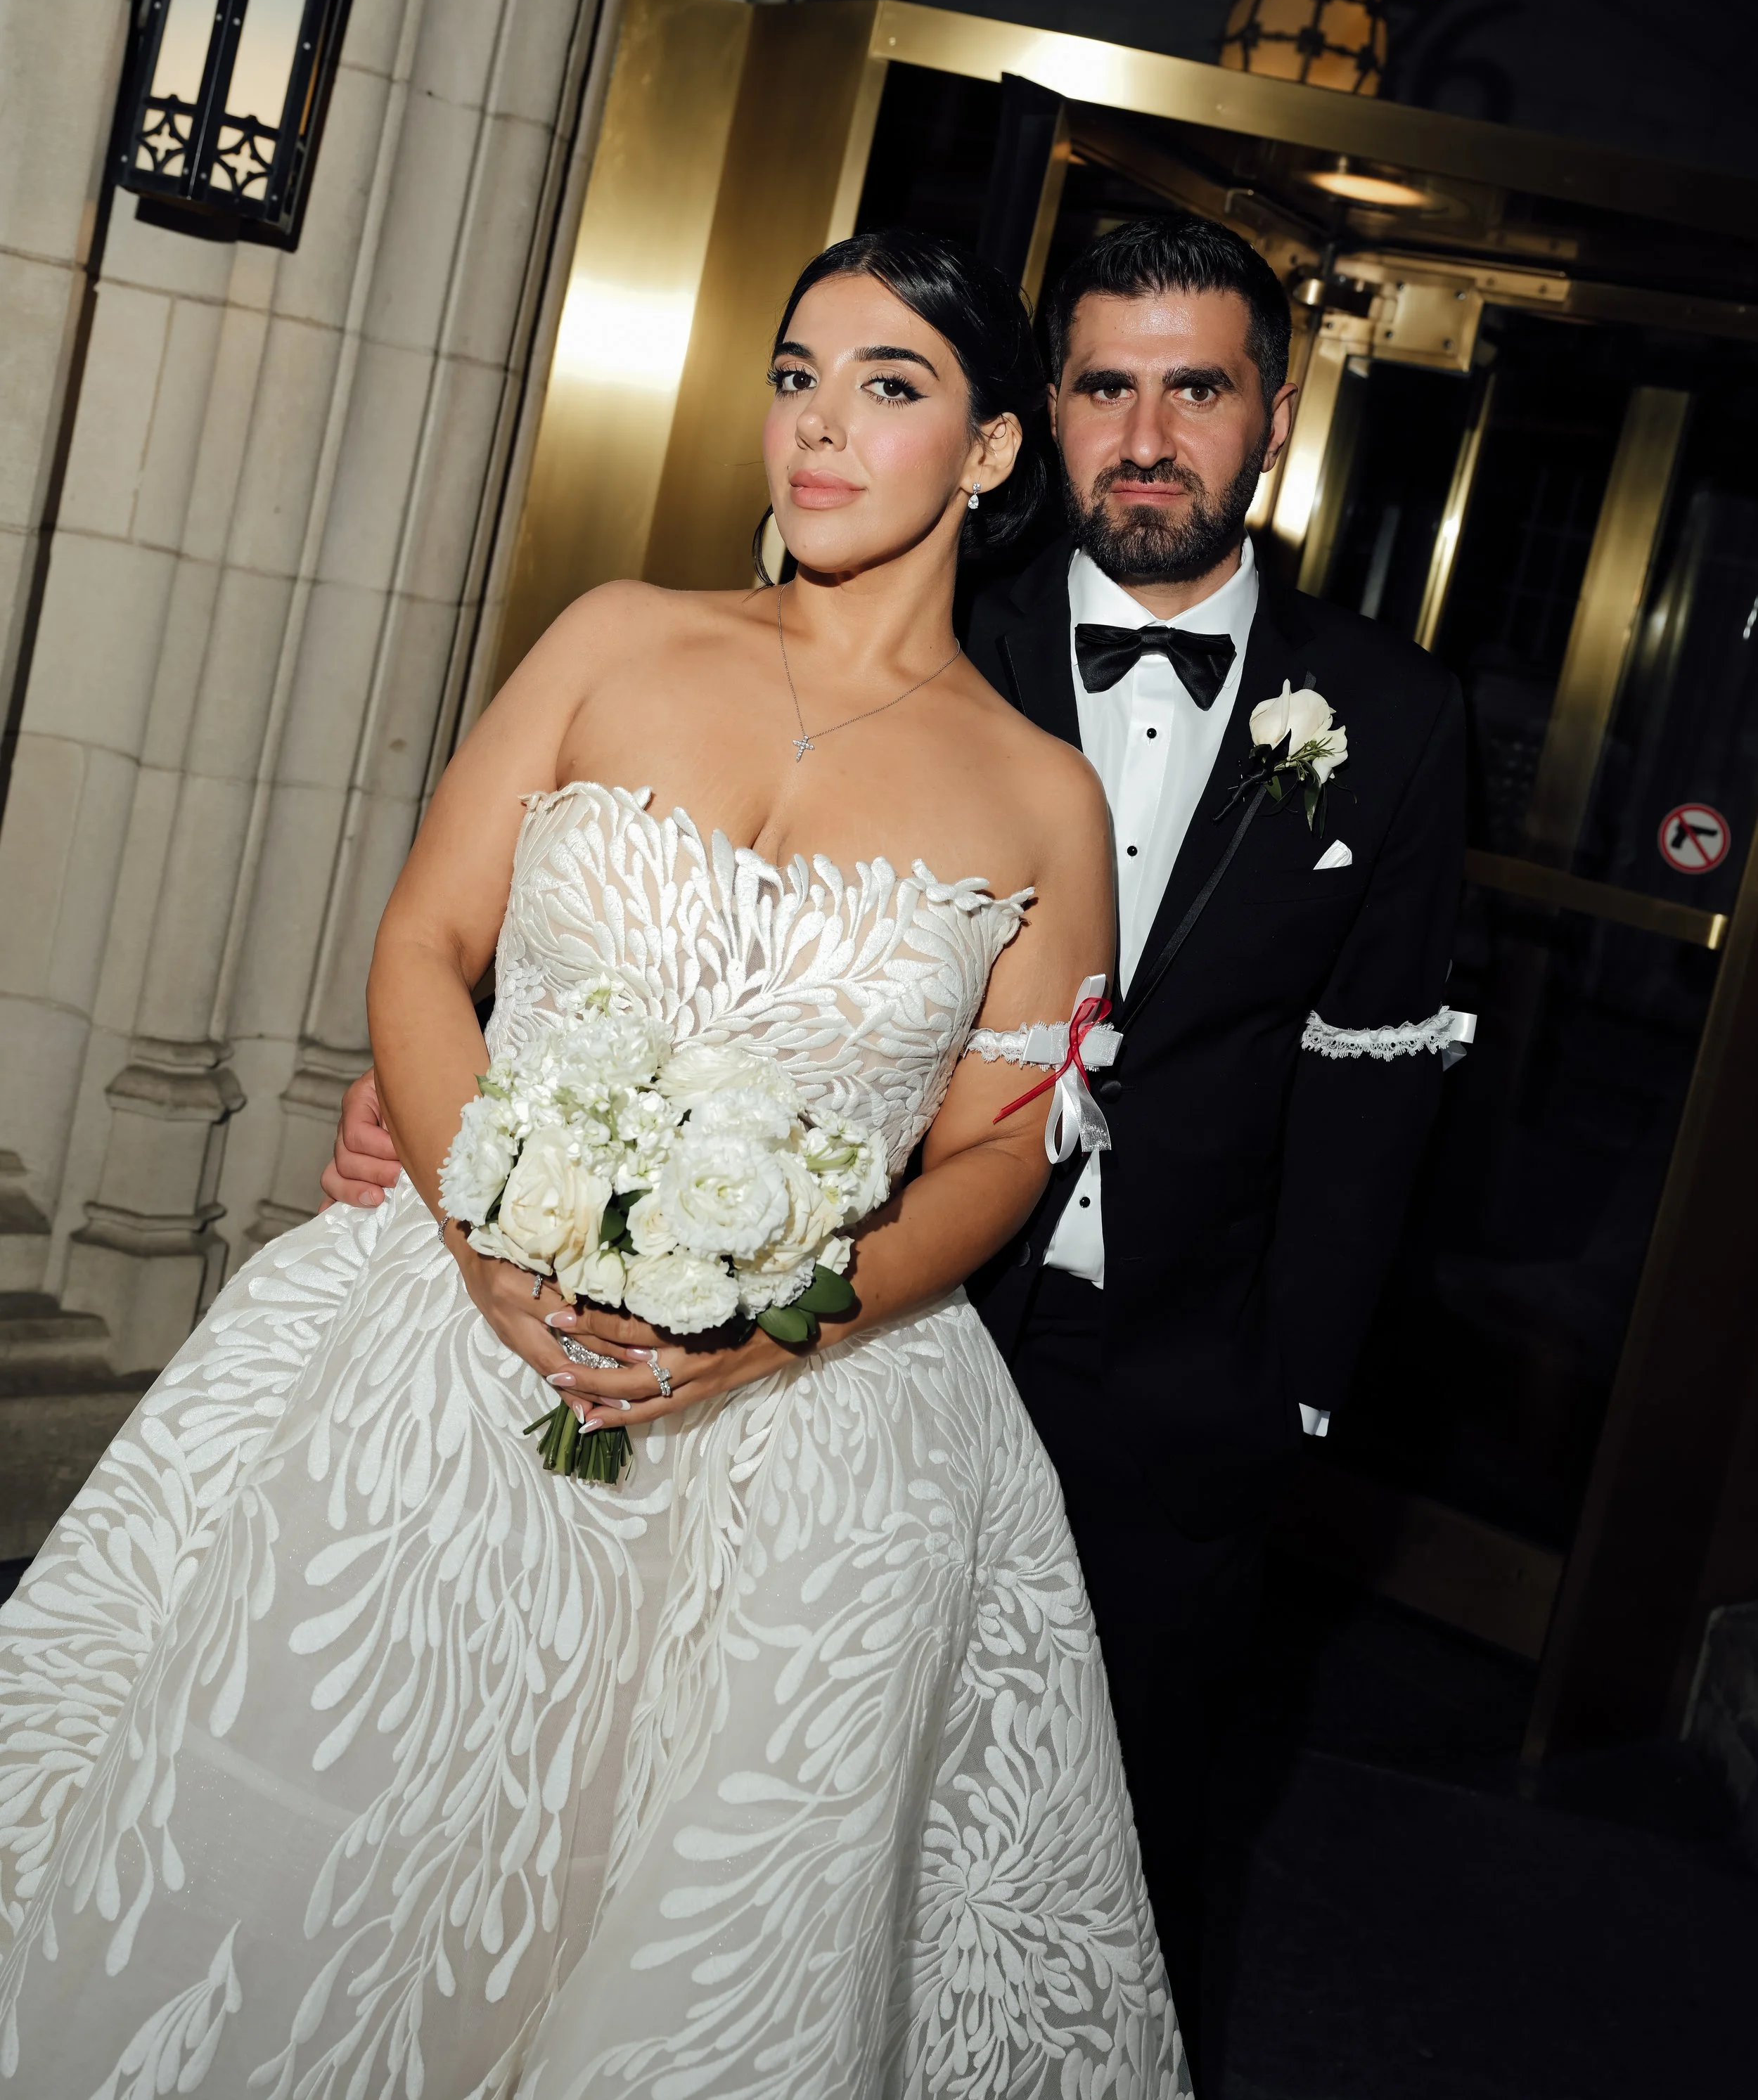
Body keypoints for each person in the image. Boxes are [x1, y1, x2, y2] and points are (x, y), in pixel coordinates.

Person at [0, 234, 1188, 2099]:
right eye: (797, 375)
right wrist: (485, 1229)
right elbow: (419, 943)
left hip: (801, 1436)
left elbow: (1000, 1148)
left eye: (889, 388)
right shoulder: (620, 634)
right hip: (449, 1341)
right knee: (306, 1817)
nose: (818, 427)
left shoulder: (1041, 796)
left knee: (620, 1897)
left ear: (986, 455)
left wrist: (783, 1323)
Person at [964, 216, 1467, 2072]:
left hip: (1181, 1380)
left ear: (1271, 414)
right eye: (1106, 382)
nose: (1148, 430)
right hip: (898, 1330)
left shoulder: (1396, 716)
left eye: (1196, 384)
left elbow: (1372, 1071)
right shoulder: (940, 631)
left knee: (1127, 1835)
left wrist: (1292, 1398)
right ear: (1048, 409)